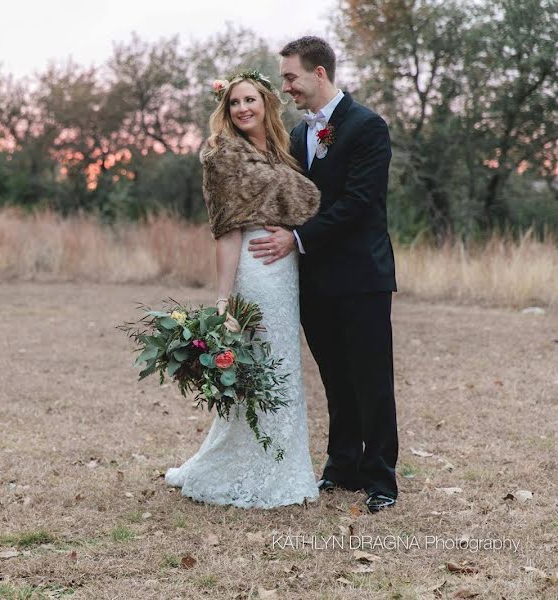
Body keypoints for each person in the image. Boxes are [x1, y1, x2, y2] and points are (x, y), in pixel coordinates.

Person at [249, 37, 399, 513]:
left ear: (319, 73)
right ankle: (341, 467)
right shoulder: (298, 135)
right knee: (335, 376)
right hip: (314, 280)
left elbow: (359, 203)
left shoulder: (367, 126)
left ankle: (381, 480)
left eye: (290, 77)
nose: (285, 86)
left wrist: (296, 238)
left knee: (371, 379)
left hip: (361, 277)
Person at [164, 71, 320, 508]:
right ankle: (251, 468)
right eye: (234, 103)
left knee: (284, 364)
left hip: (286, 268)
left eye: (250, 100)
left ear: (266, 103)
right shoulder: (222, 155)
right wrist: (222, 299)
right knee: (263, 364)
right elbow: (226, 233)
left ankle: (285, 465)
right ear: (226, 110)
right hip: (254, 268)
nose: (242, 109)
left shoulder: (280, 150)